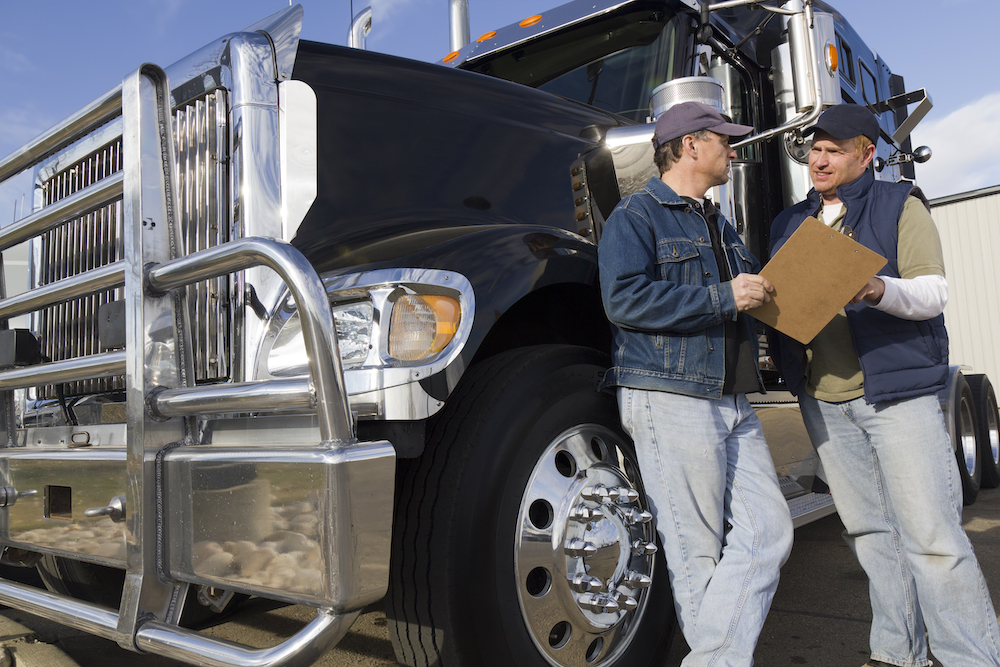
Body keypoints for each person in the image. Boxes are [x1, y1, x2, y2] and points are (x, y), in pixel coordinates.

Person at [769, 103, 1000, 667]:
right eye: (814, 150)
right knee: (871, 534)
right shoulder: (788, 222)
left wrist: (876, 290)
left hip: (899, 399)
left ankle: (970, 657)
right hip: (824, 400)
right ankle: (898, 653)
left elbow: (932, 294)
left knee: (933, 539)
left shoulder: (901, 205)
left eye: (834, 150)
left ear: (866, 153)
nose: (819, 160)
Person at [598, 101, 793, 666]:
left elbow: (761, 290)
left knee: (771, 530)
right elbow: (624, 299)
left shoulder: (718, 223)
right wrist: (724, 297)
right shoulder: (636, 216)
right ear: (689, 145)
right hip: (671, 396)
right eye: (723, 139)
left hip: (732, 397)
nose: (733, 150)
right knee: (696, 554)